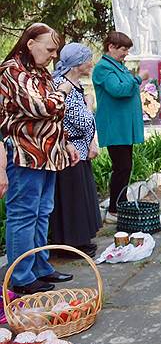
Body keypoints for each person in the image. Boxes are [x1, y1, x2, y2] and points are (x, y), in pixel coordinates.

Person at [0, 23, 78, 295]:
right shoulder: (12, 71)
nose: (53, 56)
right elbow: (42, 107)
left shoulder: (39, 72)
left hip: (48, 154)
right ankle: (21, 276)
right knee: (23, 215)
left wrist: (66, 141)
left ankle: (41, 267)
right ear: (30, 43)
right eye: (49, 49)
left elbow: (55, 115)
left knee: (42, 212)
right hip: (25, 153)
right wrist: (65, 90)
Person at [50, 43, 102, 258]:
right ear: (78, 63)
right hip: (69, 148)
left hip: (79, 146)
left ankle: (79, 239)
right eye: (89, 59)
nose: (91, 63)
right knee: (72, 198)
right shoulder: (62, 84)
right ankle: (72, 243)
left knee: (80, 194)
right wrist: (89, 106)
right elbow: (78, 119)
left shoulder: (73, 82)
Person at [93, 31, 146, 224]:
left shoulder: (118, 67)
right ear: (111, 47)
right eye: (123, 49)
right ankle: (114, 209)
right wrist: (138, 79)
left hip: (124, 126)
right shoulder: (103, 68)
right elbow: (119, 90)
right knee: (121, 167)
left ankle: (120, 204)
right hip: (115, 126)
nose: (126, 53)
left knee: (125, 167)